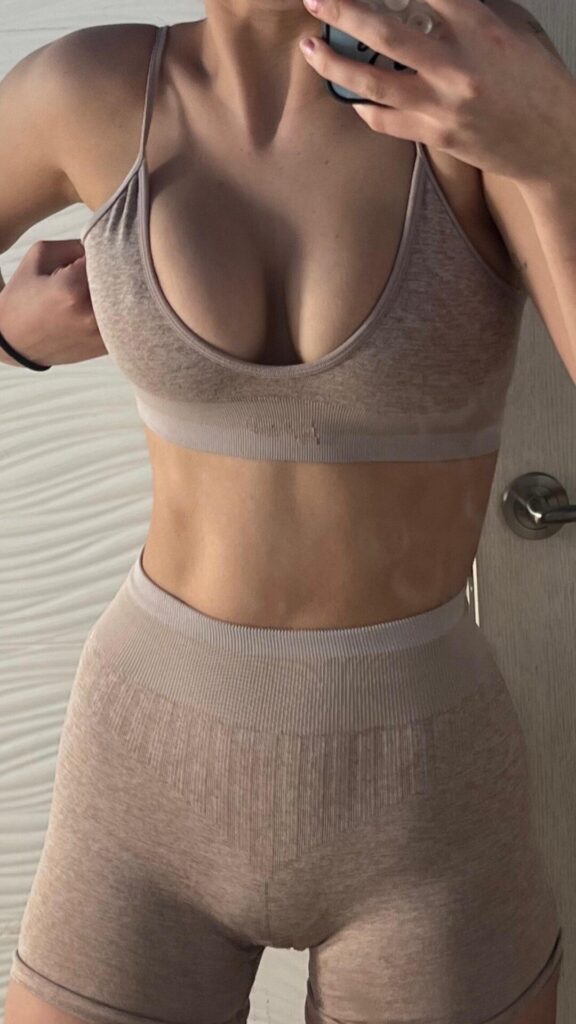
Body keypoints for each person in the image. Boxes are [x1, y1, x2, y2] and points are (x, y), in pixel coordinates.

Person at [2, 1, 566, 1021]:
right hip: (142, 776)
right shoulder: (85, 91)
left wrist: (559, 148)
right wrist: (9, 335)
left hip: (424, 801)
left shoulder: (469, 70)